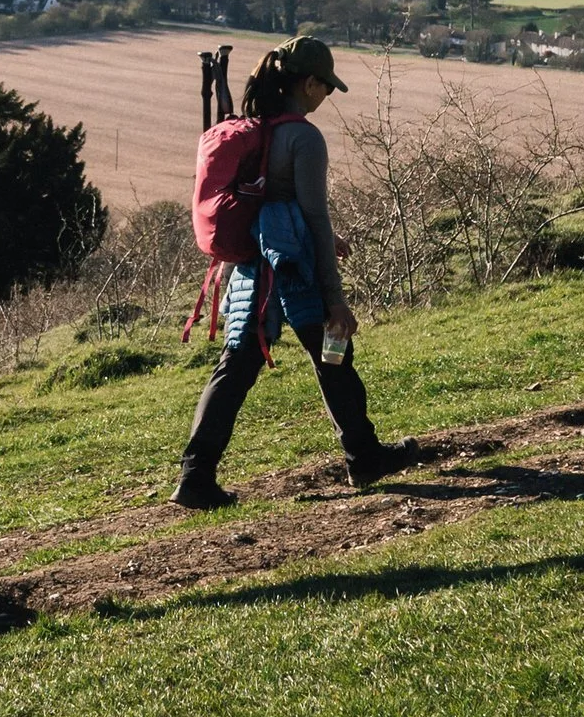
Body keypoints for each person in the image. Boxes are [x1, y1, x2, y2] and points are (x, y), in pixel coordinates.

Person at [173, 36, 421, 508]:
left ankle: (195, 475)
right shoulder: (303, 137)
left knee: (235, 369)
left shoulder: (253, 127)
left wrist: (327, 239)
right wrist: (335, 299)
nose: (326, 96)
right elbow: (313, 215)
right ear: (309, 83)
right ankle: (364, 456)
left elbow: (271, 203)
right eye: (326, 87)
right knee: (334, 356)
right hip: (293, 273)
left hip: (250, 269)